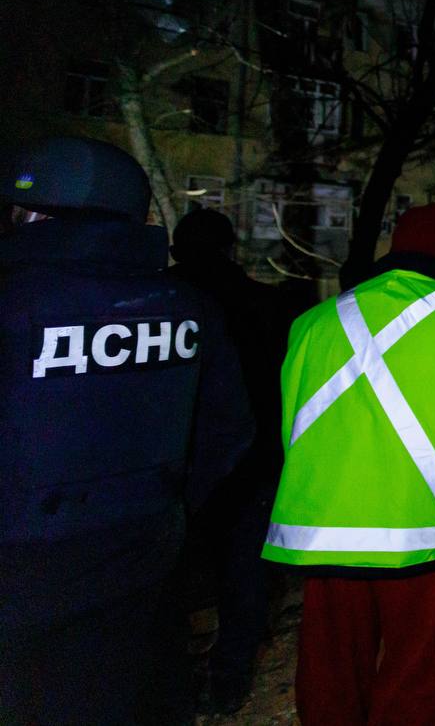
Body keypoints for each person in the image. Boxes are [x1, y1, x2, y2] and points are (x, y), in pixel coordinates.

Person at [0, 136, 254, 725]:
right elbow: (229, 429)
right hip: (142, 560)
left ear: (32, 215)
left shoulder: (14, 300)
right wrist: (168, 506)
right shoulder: (185, 306)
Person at [262, 203, 435, 726]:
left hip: (323, 531)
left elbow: (291, 426)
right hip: (423, 532)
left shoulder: (312, 324)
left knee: (330, 671)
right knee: (418, 675)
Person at [168, 207, 297, 714]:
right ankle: (228, 682)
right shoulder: (267, 304)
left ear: (179, 250)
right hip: (252, 467)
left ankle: (174, 687)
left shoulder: (154, 301)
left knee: (165, 586)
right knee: (243, 580)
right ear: (228, 249)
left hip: (171, 471)